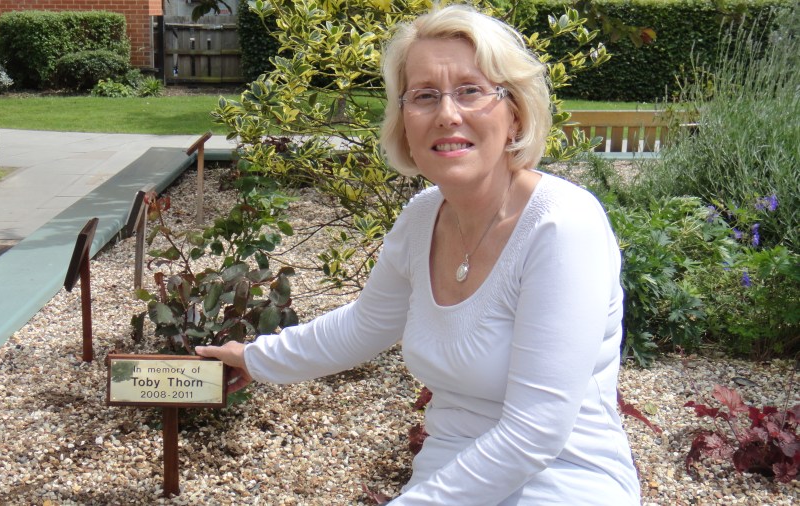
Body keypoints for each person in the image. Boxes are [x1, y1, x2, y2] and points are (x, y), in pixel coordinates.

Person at [197, 4, 641, 504]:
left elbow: (535, 432)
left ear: (515, 113)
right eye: (425, 96)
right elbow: (364, 325)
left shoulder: (562, 226)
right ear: (404, 121)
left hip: (564, 480)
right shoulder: (422, 216)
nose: (447, 114)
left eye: (471, 91)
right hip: (447, 470)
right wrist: (255, 358)